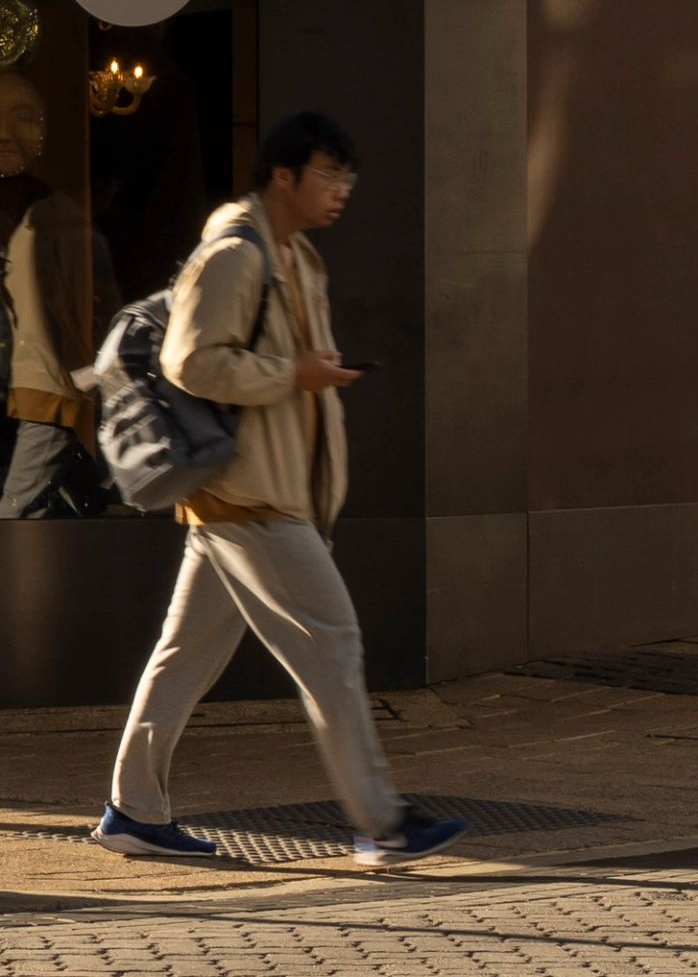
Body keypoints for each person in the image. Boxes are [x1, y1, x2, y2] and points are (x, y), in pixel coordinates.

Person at [95, 111, 464, 875]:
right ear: (283, 176)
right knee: (333, 644)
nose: (342, 191)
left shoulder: (300, 262)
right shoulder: (235, 254)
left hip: (264, 496)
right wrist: (293, 375)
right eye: (330, 175)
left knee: (182, 660)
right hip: (247, 496)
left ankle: (132, 812)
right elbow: (190, 362)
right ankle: (381, 822)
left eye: (348, 179)